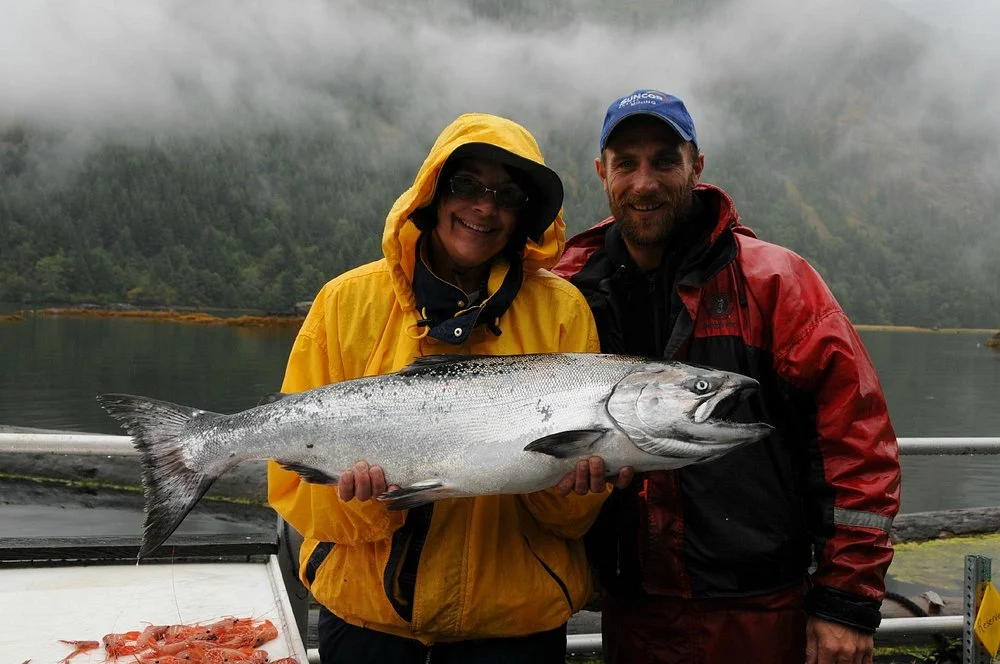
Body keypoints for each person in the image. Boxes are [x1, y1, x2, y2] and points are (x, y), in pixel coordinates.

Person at [553, 90, 902, 664]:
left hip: (759, 612)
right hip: (628, 608)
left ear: (697, 166)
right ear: (602, 172)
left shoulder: (778, 283)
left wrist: (846, 600)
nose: (645, 183)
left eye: (665, 160)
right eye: (626, 163)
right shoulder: (566, 292)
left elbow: (858, 445)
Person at [267, 113, 610, 664]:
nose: (484, 206)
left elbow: (569, 522)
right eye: (466, 185)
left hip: (512, 633)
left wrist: (576, 486)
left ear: (526, 214)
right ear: (431, 193)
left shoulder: (563, 311)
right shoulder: (343, 302)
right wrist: (370, 505)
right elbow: (295, 493)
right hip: (366, 625)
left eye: (507, 194)